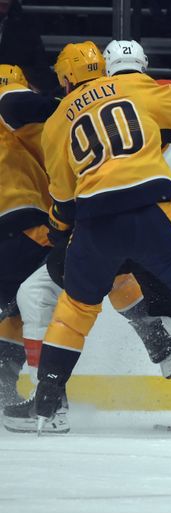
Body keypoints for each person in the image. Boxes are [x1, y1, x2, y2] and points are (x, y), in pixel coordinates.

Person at [10, 41, 171, 438]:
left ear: (66, 77)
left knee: (71, 307)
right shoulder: (143, 88)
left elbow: (64, 200)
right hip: (151, 211)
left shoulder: (56, 120)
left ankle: (48, 402)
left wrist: (61, 237)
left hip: (94, 223)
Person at [0, 65, 57, 408]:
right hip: (21, 223)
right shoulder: (16, 107)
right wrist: (74, 103)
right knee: (30, 298)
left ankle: (3, 381)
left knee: (16, 304)